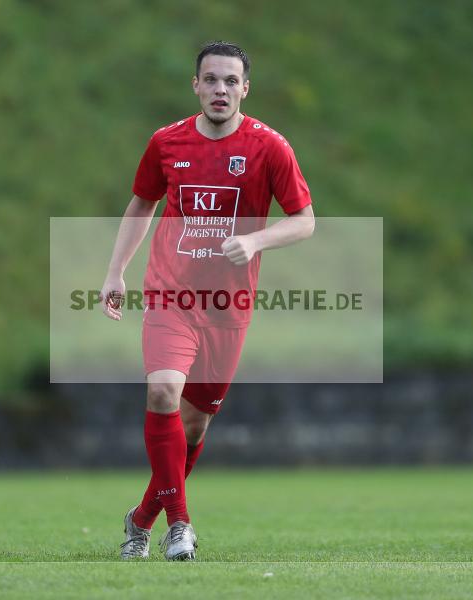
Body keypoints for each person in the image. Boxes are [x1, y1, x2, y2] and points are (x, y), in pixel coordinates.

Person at [100, 41, 315, 560]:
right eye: (211, 80)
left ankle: (141, 519)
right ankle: (180, 525)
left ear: (246, 88)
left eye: (230, 81)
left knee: (194, 426)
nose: (220, 89)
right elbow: (142, 202)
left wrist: (256, 241)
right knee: (163, 395)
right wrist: (115, 271)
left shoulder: (269, 147)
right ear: (195, 85)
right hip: (170, 295)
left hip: (228, 307)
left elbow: (304, 220)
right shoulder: (166, 142)